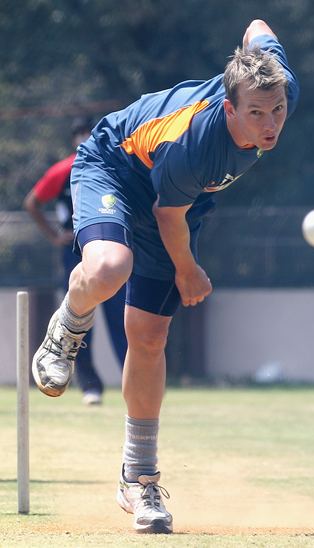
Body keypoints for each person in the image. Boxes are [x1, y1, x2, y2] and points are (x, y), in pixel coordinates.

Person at [31, 20, 299, 533]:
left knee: (150, 337)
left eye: (278, 110)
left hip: (177, 201)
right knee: (111, 266)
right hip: (116, 167)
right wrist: (190, 269)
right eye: (257, 112)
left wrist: (249, 55)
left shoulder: (275, 81)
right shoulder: (197, 143)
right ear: (230, 109)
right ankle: (66, 329)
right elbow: (167, 217)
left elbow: (258, 26)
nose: (271, 123)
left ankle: (139, 480)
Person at [24, 118, 127, 405]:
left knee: (121, 318)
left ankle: (130, 379)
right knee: (80, 319)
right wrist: (54, 235)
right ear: (73, 140)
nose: (85, 139)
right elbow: (32, 201)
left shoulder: (112, 165)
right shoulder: (63, 170)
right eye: (80, 135)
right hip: (74, 252)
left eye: (89, 134)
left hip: (109, 249)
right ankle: (90, 386)